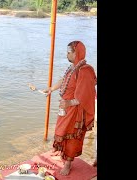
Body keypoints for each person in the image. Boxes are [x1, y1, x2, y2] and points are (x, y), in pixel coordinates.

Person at [42, 40, 97, 175]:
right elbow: (63, 80)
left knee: (72, 137)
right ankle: (60, 151)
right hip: (65, 108)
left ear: (76, 53)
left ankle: (68, 163)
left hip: (75, 110)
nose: (66, 54)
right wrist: (51, 89)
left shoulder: (85, 70)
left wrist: (69, 103)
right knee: (61, 131)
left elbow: (85, 94)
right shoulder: (73, 67)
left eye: (69, 52)